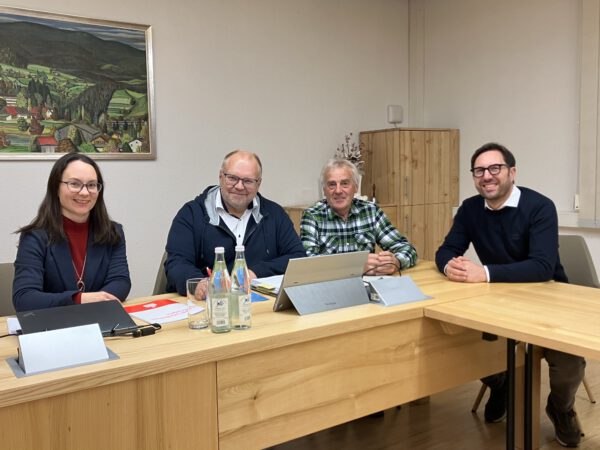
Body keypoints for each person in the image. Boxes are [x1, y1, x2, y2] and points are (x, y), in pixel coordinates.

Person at [435, 142, 585, 447]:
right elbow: (446, 249)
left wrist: (483, 273)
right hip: (497, 301)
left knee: (569, 362)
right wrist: (451, 266)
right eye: (479, 170)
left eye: (495, 168)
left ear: (512, 172)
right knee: (454, 337)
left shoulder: (539, 207)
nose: (487, 176)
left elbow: (542, 267)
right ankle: (500, 382)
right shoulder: (470, 209)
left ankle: (561, 408)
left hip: (547, 298)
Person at [165, 150, 306, 295]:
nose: (239, 186)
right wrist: (200, 284)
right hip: (208, 302)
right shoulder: (192, 214)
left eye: (248, 181)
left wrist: (255, 273)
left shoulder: (274, 214)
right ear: (221, 176)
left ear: (258, 183)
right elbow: (176, 264)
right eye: (232, 178)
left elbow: (297, 257)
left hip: (259, 303)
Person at [13, 153, 131, 312]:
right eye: (74, 184)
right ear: (56, 187)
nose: (85, 192)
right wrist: (79, 299)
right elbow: (24, 298)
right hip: (55, 323)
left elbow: (120, 281)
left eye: (91, 185)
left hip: (101, 318)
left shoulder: (113, 232)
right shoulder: (34, 237)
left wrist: (99, 301)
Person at [300, 158, 417, 274]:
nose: (338, 190)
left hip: (367, 283)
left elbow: (406, 248)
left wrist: (396, 262)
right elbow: (307, 263)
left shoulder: (370, 211)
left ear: (356, 187)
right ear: (324, 190)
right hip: (331, 284)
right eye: (332, 185)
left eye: (345, 183)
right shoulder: (312, 216)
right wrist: (355, 266)